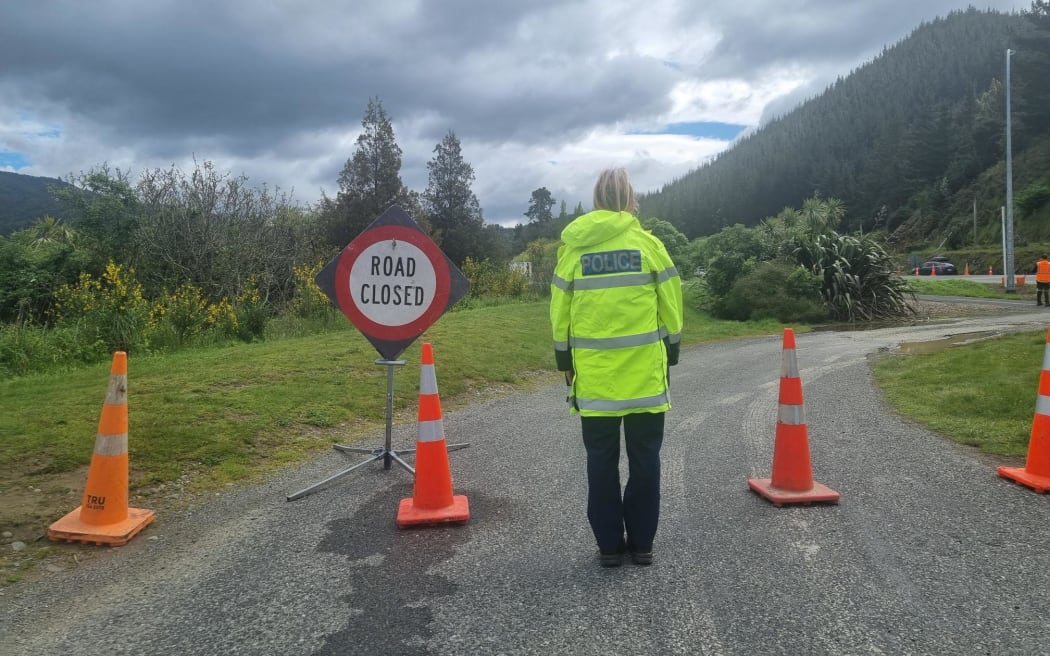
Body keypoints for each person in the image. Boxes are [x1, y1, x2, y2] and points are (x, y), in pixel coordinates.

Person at [549, 168, 684, 567]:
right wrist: (671, 350)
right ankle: (642, 544)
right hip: (644, 376)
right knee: (645, 460)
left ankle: (609, 547)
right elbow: (672, 305)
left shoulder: (573, 251)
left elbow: (560, 312)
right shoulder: (650, 245)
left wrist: (564, 360)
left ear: (595, 200)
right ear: (630, 199)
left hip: (595, 379)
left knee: (601, 461)